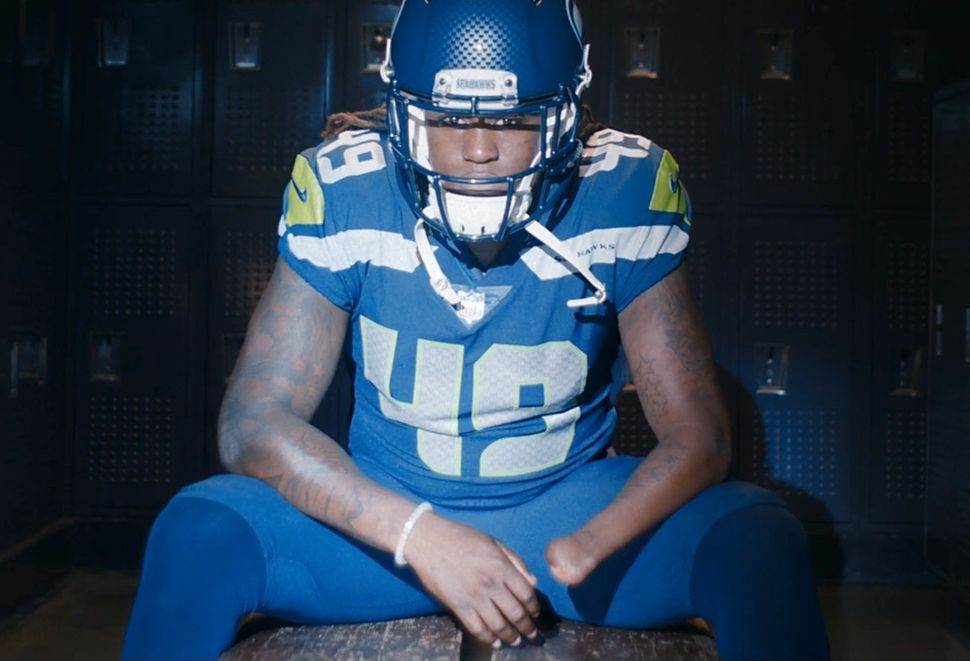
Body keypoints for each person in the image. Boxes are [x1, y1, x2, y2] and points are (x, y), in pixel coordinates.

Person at [122, 1, 830, 659]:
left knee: (759, 538)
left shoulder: (620, 189)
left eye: (514, 120)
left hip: (560, 510)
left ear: (563, 115)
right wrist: (417, 533)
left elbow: (700, 434)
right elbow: (252, 420)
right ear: (402, 111)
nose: (480, 150)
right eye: (449, 120)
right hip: (385, 519)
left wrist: (589, 544)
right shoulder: (346, 188)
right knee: (197, 531)